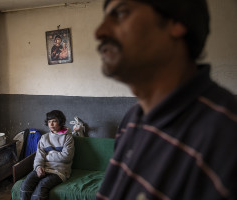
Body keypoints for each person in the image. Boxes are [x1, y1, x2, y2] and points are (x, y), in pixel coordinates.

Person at [95, 0, 237, 200]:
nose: (99, 32)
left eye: (120, 14)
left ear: (175, 22)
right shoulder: (131, 120)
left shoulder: (226, 135)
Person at [20, 110, 74, 200]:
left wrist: (47, 156)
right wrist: (38, 167)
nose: (51, 124)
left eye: (54, 121)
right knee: (26, 184)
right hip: (44, 168)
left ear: (60, 122)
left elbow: (66, 157)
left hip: (60, 171)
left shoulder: (68, 137)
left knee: (42, 187)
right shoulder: (44, 138)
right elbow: (39, 155)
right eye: (49, 122)